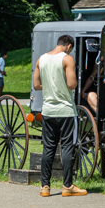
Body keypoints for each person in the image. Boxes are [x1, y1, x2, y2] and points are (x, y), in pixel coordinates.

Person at [32, 34, 86, 197]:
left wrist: (50, 84)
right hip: (65, 110)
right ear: (69, 46)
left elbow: (36, 85)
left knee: (48, 148)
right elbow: (71, 84)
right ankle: (67, 185)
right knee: (67, 146)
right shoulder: (67, 59)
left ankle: (45, 187)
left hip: (48, 110)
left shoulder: (41, 59)